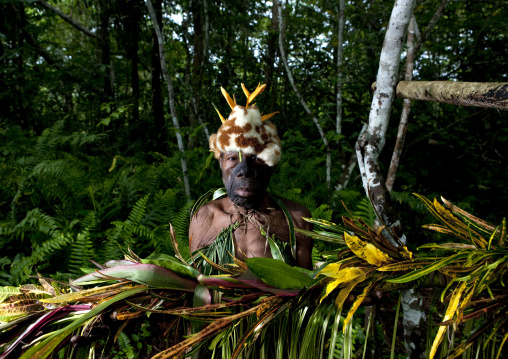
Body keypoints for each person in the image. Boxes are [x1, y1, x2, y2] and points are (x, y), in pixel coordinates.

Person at [189, 84, 313, 269]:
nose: (244, 170)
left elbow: (305, 287)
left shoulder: (296, 219)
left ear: (271, 164)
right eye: (232, 158)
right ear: (221, 163)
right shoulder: (205, 218)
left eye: (256, 158)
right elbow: (195, 283)